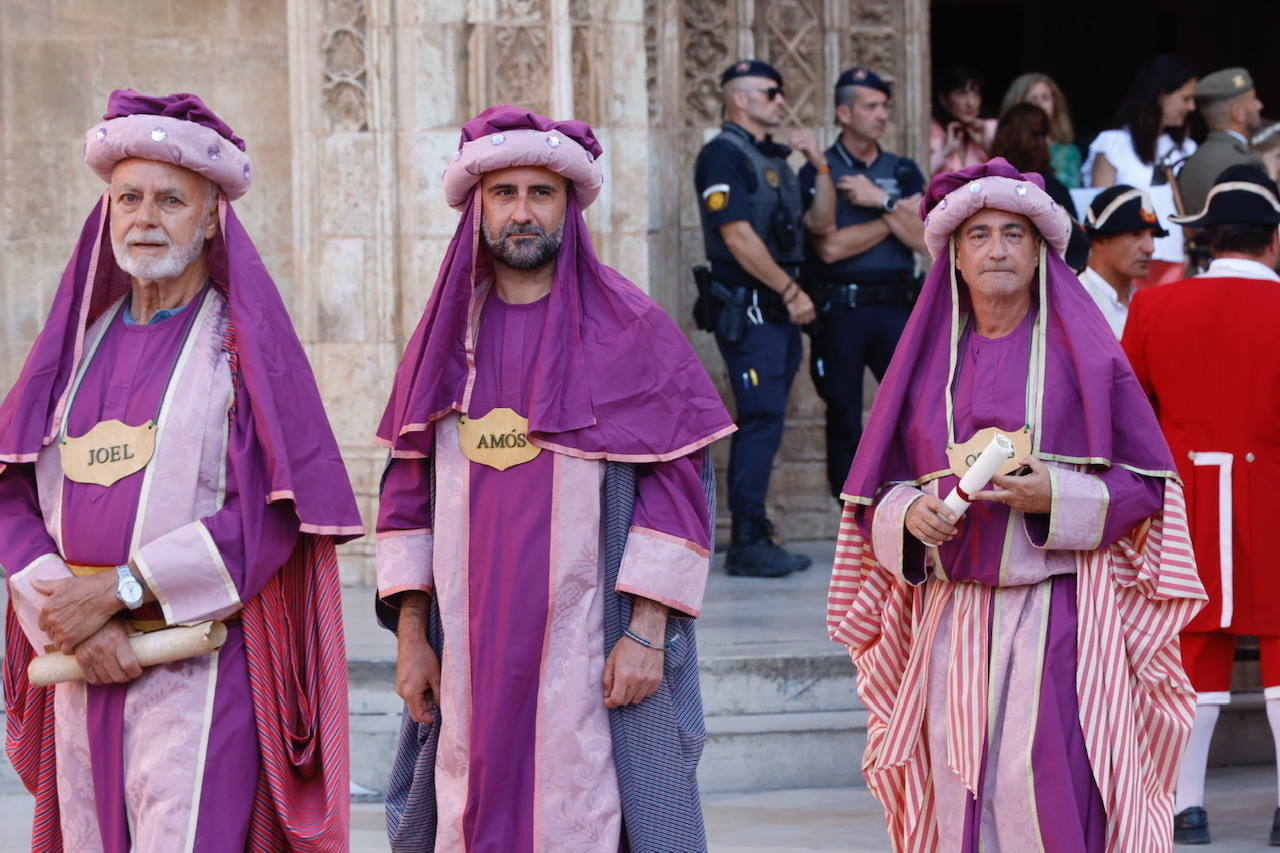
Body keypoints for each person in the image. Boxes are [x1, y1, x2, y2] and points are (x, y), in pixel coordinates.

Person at [0, 90, 361, 852]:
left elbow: (268, 514)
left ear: (210, 219)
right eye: (128, 197)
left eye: (171, 199)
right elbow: (11, 493)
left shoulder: (237, 349)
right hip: (77, 661)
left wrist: (124, 590)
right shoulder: (75, 345)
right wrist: (68, 615)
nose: (145, 217)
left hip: (193, 668)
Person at [374, 106, 734, 852]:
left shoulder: (631, 328)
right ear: (478, 209)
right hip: (469, 648)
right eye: (503, 193)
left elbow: (678, 486)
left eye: (542, 192)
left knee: (589, 815)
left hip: (590, 646)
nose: (522, 211)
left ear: (569, 207)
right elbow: (405, 494)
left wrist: (646, 631)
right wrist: (412, 635)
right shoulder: (446, 340)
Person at [826, 158, 1206, 851]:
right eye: (978, 236)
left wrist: (1054, 493)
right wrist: (909, 514)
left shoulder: (1089, 360)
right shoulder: (920, 367)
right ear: (955, 257)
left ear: (1039, 252)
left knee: (1048, 785)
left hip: (1058, 612)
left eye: (1013, 234)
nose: (996, 249)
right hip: (950, 617)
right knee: (953, 788)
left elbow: (1147, 487)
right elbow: (874, 490)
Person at [1123, 165, 1280, 846]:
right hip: (1275, 497)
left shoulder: (1155, 308)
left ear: (1207, 241)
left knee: (1194, 646)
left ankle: (1187, 809)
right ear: (1273, 241)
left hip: (1186, 502)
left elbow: (1128, 418)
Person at [693, 59, 823, 576]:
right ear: (740, 99)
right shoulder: (722, 155)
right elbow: (736, 235)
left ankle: (755, 529)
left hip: (776, 309)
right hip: (752, 307)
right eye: (770, 93)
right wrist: (790, 289)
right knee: (760, 418)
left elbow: (814, 225)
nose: (780, 102)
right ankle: (746, 538)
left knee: (768, 417)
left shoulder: (772, 157)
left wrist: (820, 165)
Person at [798, 66, 927, 501]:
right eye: (871, 106)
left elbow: (927, 241)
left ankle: (912, 501)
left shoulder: (903, 169)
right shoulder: (821, 169)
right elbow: (829, 247)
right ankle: (849, 511)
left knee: (914, 408)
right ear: (843, 112)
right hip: (842, 310)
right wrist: (895, 217)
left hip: (897, 306)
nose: (882, 115)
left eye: (885, 106)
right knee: (845, 416)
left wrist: (880, 199)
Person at [1084, 54, 1198, 287]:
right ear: (1160, 95)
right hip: (1123, 266)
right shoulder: (1113, 145)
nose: (1192, 107)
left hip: (1177, 264)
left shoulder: (1187, 149)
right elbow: (1101, 214)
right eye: (1186, 98)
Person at [989, 102, 1090, 270]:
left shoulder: (984, 185)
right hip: (1047, 280)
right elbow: (1077, 246)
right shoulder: (1052, 189)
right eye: (1044, 135)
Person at [1079, 184, 1168, 337]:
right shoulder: (1074, 302)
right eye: (1136, 234)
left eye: (1152, 235)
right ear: (1099, 238)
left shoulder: (1146, 305)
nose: (1150, 248)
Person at [1177, 67, 1265, 215]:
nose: (1259, 105)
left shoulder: (1191, 162)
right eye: (1254, 99)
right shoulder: (1246, 164)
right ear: (1238, 113)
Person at [1000, 71, 1083, 187]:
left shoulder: (1069, 152)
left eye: (1045, 98)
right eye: (1032, 99)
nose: (1039, 104)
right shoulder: (1004, 147)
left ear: (1056, 105)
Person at [929, 65, 997, 176]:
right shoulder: (930, 130)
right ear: (943, 99)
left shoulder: (991, 128)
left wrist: (987, 146)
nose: (970, 103)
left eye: (976, 94)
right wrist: (944, 151)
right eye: (961, 94)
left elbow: (1011, 175)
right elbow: (919, 178)